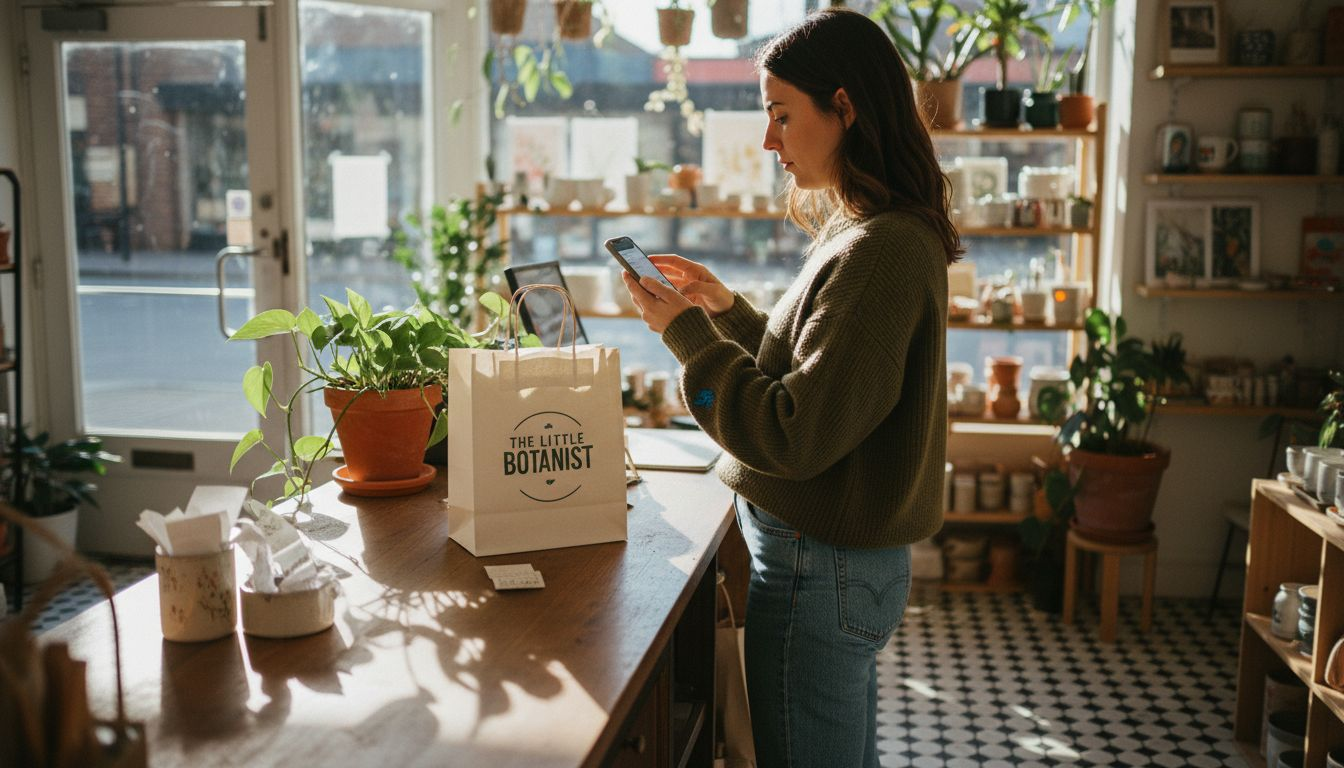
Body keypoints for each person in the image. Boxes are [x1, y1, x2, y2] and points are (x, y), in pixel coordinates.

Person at [619, 8, 960, 767]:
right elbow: (827, 372)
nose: (768, 140)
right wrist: (725, 312)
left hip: (821, 569)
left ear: (845, 108)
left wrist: (686, 335)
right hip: (831, 566)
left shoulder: (879, 247)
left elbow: (793, 433)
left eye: (780, 116)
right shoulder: (872, 229)